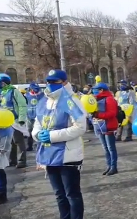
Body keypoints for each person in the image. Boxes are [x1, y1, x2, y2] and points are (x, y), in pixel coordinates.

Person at [31, 69, 86, 219]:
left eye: (55, 82)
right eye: (49, 82)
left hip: (68, 155)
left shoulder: (72, 100)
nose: (51, 85)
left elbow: (80, 127)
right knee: (59, 195)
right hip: (49, 155)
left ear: (65, 82)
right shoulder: (43, 101)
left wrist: (52, 136)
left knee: (71, 195)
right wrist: (37, 135)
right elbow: (37, 124)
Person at [0, 74, 28, 168]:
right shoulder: (2, 92)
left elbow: (22, 105)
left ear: (3, 83)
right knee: (9, 141)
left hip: (15, 121)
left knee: (18, 140)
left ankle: (22, 161)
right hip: (4, 122)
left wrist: (21, 119)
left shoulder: (14, 91)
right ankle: (12, 160)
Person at [92, 83, 119, 176]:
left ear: (101, 90)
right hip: (99, 126)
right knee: (105, 148)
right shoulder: (95, 99)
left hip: (108, 126)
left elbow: (112, 113)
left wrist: (98, 115)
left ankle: (113, 166)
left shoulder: (109, 99)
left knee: (111, 148)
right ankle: (108, 166)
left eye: (96, 89)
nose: (94, 91)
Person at [26, 83, 45, 152]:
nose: (35, 92)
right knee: (29, 131)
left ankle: (39, 145)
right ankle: (29, 146)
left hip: (39, 116)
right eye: (33, 90)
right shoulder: (27, 96)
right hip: (29, 116)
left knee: (39, 131)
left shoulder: (42, 95)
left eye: (36, 90)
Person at [0, 122, 13, 204]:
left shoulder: (5, 129)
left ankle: (2, 195)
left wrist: (1, 150)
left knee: (0, 174)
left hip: (0, 154)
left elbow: (5, 146)